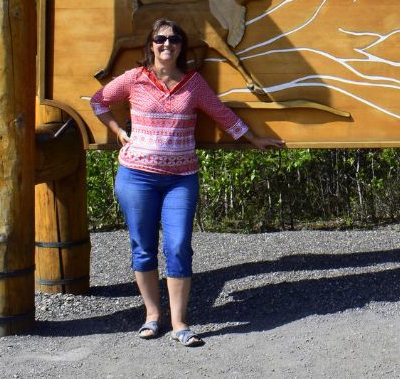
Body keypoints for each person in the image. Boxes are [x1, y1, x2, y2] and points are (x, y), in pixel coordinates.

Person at [91, 18, 284, 344]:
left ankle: (180, 323)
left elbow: (222, 115)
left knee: (178, 246)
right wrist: (119, 132)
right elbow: (98, 101)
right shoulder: (134, 79)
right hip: (136, 177)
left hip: (181, 179)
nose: (167, 44)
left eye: (174, 39)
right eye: (161, 39)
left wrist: (253, 138)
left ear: (181, 47)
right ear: (150, 45)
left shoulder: (193, 84)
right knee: (143, 247)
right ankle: (153, 316)